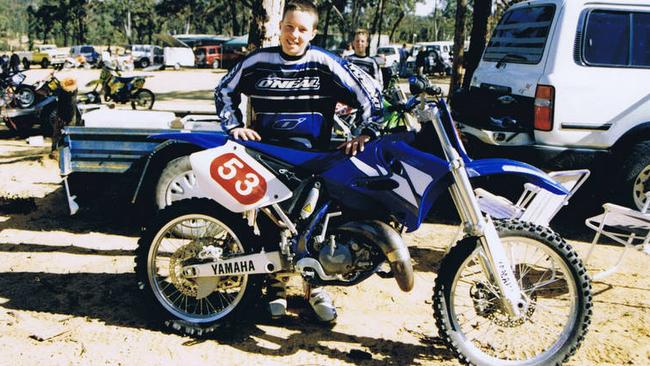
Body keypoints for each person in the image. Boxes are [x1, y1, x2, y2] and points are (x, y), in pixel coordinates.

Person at [214, 0, 384, 323]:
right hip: (267, 157)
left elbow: (372, 96)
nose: (294, 35)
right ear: (280, 27)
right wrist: (234, 126)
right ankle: (276, 287)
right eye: (289, 27)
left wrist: (366, 132)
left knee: (316, 229)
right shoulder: (257, 62)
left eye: (302, 29)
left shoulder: (326, 63)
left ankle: (315, 287)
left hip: (314, 162)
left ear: (313, 33)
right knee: (271, 224)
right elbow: (223, 90)